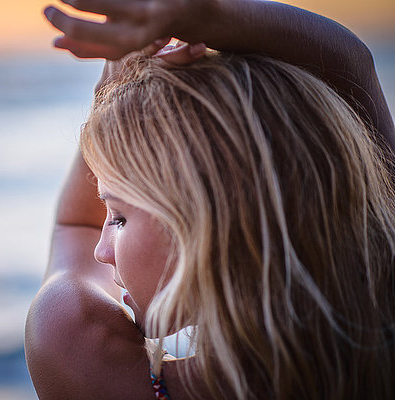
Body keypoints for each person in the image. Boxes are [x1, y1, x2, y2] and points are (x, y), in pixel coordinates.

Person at [25, 0, 395, 398]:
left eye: (117, 216)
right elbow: (349, 66)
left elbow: (74, 226)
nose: (101, 250)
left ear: (213, 225)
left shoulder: (105, 376)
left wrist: (111, 95)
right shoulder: (382, 319)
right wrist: (207, 17)